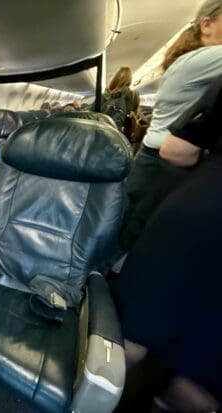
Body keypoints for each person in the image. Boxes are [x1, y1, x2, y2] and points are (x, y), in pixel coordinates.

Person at [112, 75, 222, 413]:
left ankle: (91, 392)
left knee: (134, 332)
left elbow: (176, 149)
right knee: (202, 371)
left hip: (203, 208)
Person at [118, 0, 222, 252]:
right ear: (206, 25)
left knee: (134, 237)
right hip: (164, 166)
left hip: (156, 161)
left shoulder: (188, 60)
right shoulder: (206, 59)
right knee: (137, 243)